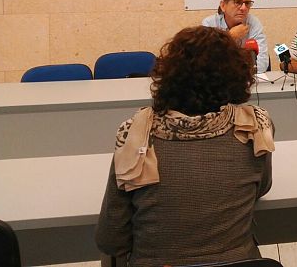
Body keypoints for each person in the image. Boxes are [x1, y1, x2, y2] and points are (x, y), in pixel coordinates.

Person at [95, 26, 274, 266]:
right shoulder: (255, 126)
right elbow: (262, 186)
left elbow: (111, 239)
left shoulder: (135, 133)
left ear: (168, 74)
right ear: (238, 75)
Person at [202, 0, 269, 73]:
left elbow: (262, 63)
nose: (243, 8)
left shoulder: (253, 23)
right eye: (237, 2)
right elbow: (206, 62)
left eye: (247, 3)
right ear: (223, 5)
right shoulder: (210, 24)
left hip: (245, 78)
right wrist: (229, 37)